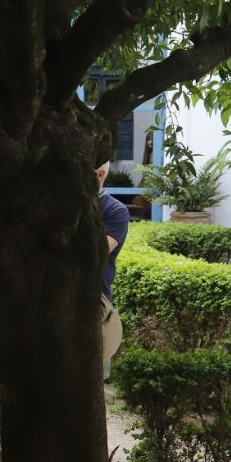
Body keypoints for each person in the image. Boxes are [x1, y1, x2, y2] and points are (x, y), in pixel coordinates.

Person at [96, 157, 130, 380]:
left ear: (100, 174)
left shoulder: (115, 210)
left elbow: (97, 252)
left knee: (92, 373)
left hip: (96, 299)